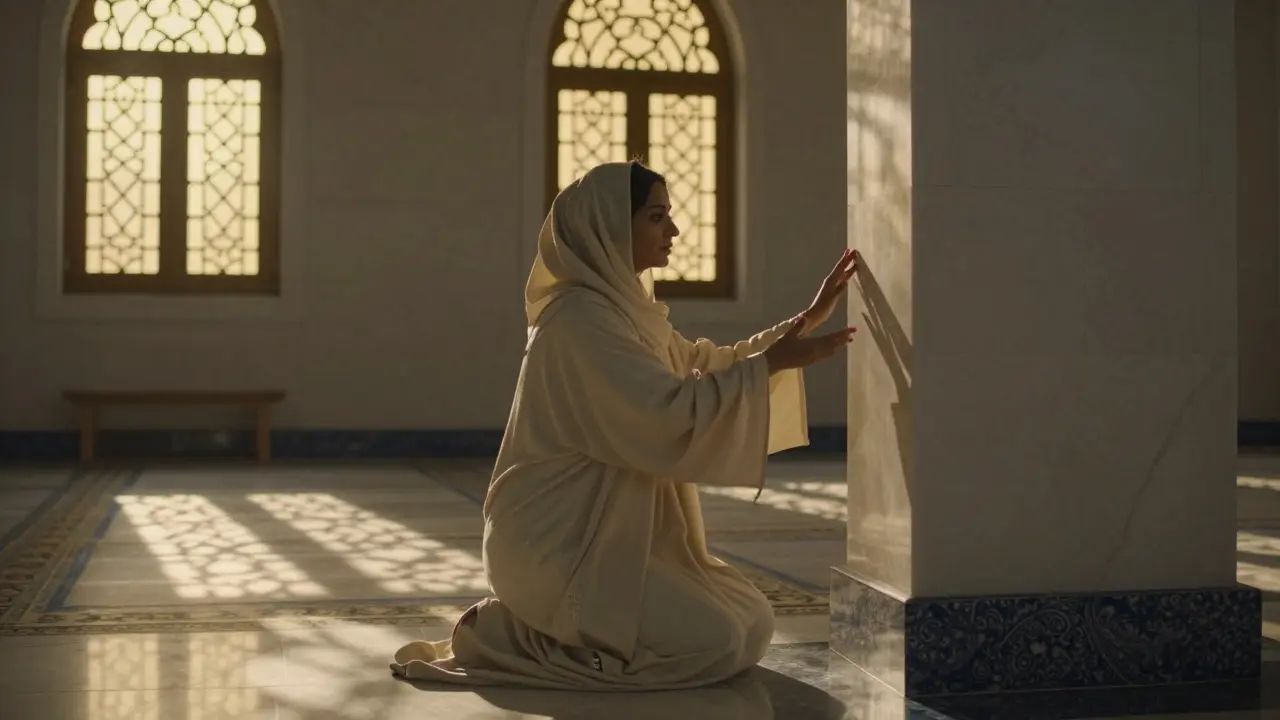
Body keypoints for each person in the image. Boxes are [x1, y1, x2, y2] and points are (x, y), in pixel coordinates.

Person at [391, 160, 858, 690]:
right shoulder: (577, 322)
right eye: (657, 217)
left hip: (617, 537)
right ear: (611, 228)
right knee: (716, 641)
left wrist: (802, 327)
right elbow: (664, 414)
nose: (673, 231)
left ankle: (551, 630)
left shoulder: (629, 312)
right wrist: (774, 363)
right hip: (557, 544)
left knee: (752, 621)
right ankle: (502, 634)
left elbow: (704, 364)